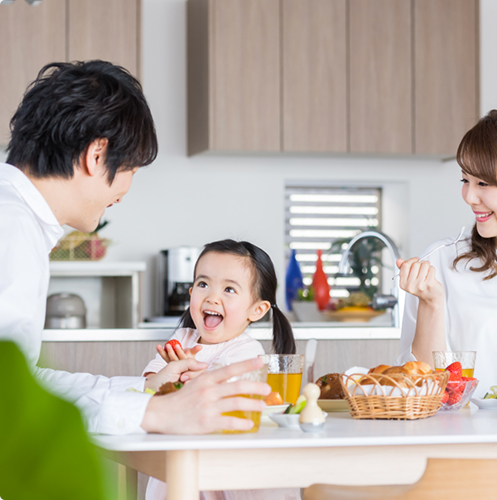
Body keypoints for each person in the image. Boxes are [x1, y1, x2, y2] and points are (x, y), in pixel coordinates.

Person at [0, 60, 270, 436]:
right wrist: (151, 414)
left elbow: (19, 382)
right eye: (132, 171)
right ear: (96, 156)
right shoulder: (12, 228)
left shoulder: (14, 216)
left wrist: (144, 393)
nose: (125, 193)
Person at [396, 103, 497, 396]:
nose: (469, 196)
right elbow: (421, 390)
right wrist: (431, 304)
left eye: (485, 183)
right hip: (465, 441)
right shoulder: (440, 263)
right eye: (465, 180)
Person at [143, 239, 299, 500]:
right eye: (203, 284)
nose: (212, 297)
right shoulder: (181, 339)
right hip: (179, 456)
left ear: (257, 309)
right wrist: (167, 376)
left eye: (229, 289)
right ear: (191, 292)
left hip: (222, 465)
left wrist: (190, 379)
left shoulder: (248, 352)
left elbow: (231, 398)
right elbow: (147, 387)